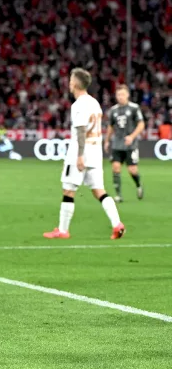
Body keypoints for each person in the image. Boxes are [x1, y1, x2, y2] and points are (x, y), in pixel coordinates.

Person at [44, 68, 124, 240]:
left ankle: (63, 230)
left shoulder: (78, 105)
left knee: (68, 190)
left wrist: (79, 155)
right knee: (99, 191)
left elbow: (80, 131)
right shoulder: (94, 102)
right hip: (96, 151)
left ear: (74, 83)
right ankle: (117, 224)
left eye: (70, 80)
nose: (69, 83)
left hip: (81, 152)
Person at [105, 84, 145, 202]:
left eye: (122, 94)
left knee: (132, 170)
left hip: (130, 145)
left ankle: (138, 185)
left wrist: (132, 136)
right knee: (116, 167)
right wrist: (107, 140)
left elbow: (141, 124)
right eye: (118, 94)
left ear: (127, 95)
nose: (120, 97)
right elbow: (110, 127)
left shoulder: (134, 108)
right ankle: (118, 195)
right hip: (117, 144)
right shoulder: (113, 110)